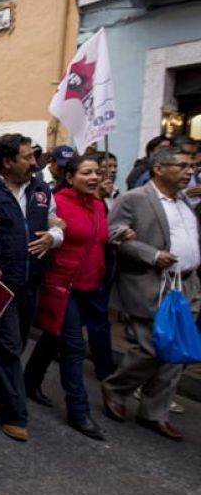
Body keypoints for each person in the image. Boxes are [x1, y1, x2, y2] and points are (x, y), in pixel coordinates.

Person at [102, 147, 199, 441]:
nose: (188, 172)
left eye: (191, 166)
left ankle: (154, 411)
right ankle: (117, 388)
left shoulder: (184, 199)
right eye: (182, 166)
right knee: (151, 348)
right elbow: (114, 232)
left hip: (186, 284)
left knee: (176, 351)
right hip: (151, 284)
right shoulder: (135, 199)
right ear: (159, 168)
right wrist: (152, 254)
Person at [0, 134, 62, 442]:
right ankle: (15, 413)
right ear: (8, 162)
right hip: (0, 284)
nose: (34, 163)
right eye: (27, 157)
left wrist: (54, 237)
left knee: (15, 343)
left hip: (32, 281)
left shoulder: (41, 189)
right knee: (10, 347)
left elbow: (57, 222)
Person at [33, 154, 110, 441]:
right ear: (70, 177)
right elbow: (46, 237)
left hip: (90, 287)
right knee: (75, 347)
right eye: (86, 172)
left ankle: (30, 381)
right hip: (62, 286)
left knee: (53, 337)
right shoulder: (58, 204)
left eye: (97, 172)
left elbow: (99, 240)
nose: (93, 178)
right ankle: (79, 411)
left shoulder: (99, 205)